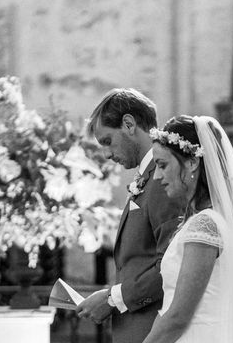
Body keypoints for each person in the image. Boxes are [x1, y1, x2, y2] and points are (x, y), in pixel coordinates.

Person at [143, 115, 233, 343]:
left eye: (162, 165)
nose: (158, 176)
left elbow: (178, 316)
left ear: (191, 162)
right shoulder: (210, 220)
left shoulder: (205, 225)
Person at [76, 88, 183, 343]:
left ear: (128, 124)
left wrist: (114, 298)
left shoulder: (161, 180)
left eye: (107, 141)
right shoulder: (147, 177)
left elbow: (172, 264)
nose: (106, 153)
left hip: (151, 329)